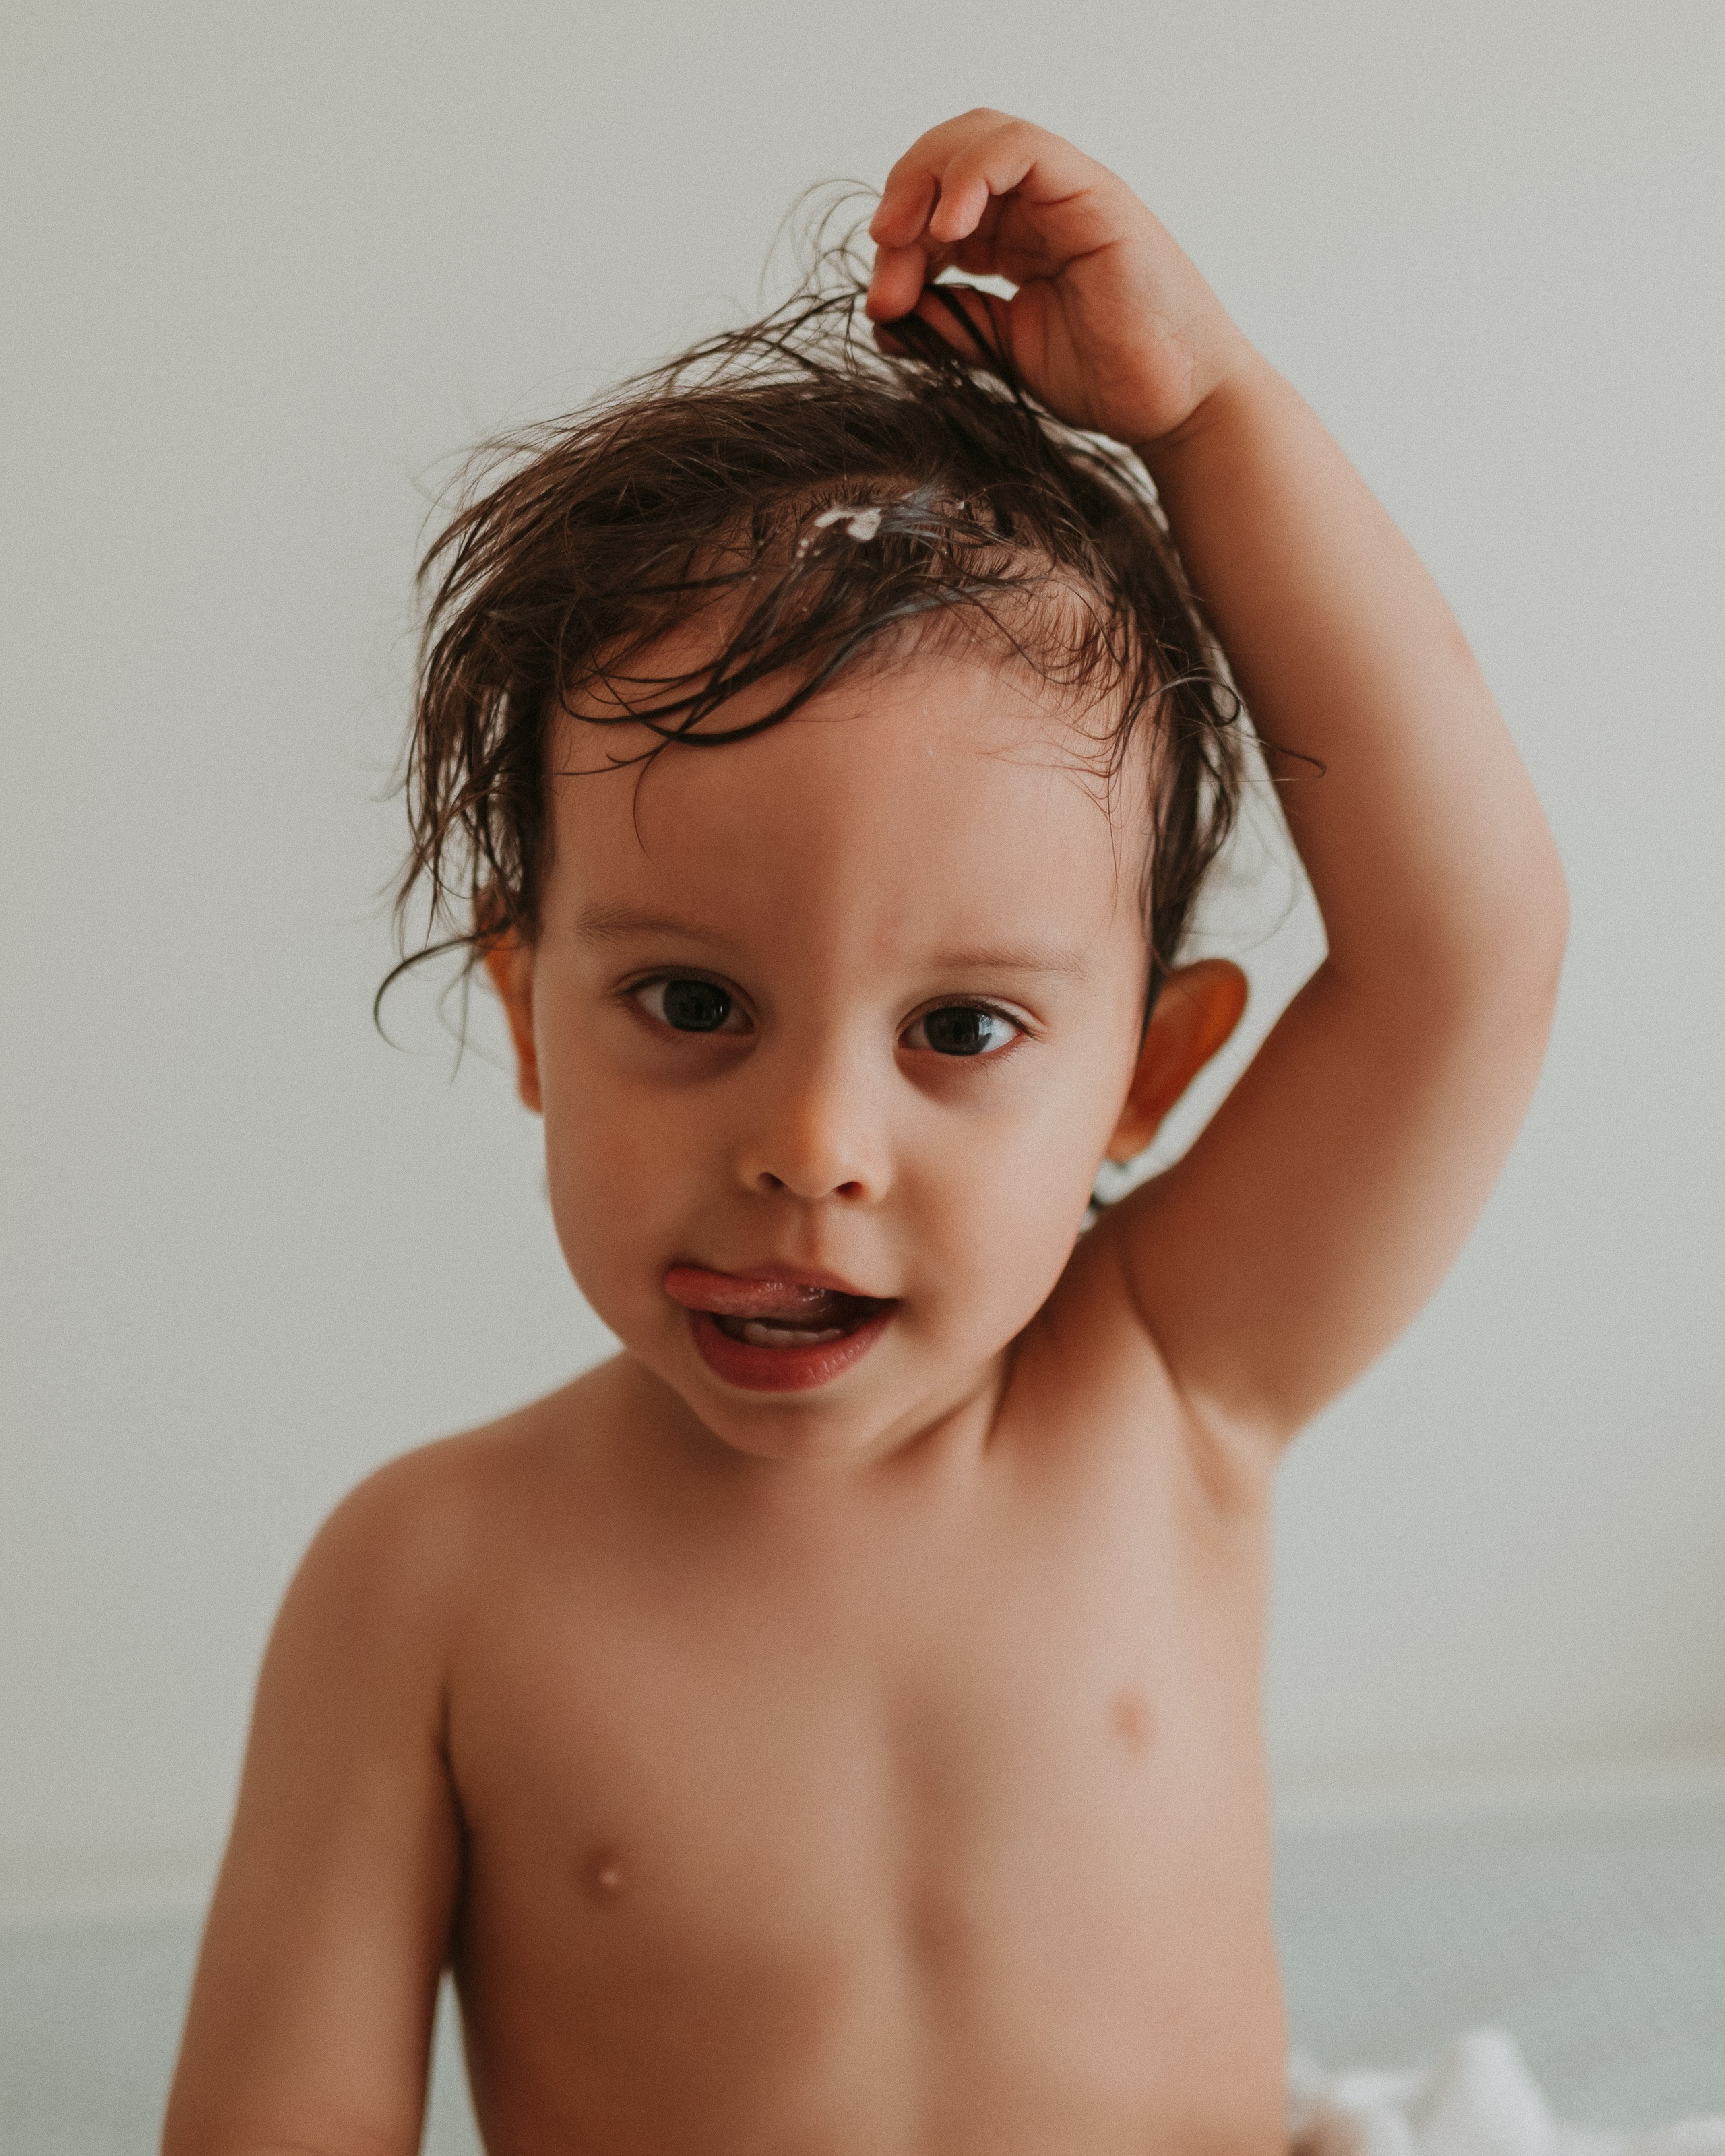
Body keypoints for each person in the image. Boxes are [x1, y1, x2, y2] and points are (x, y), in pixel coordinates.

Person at [163, 110, 1567, 2156]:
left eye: (966, 1027)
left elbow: (1475, 942)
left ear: (1150, 1074)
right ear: (526, 1011)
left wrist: (1215, 416)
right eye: (693, 1004)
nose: (813, 1143)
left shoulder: (1168, 1388)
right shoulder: (429, 1586)